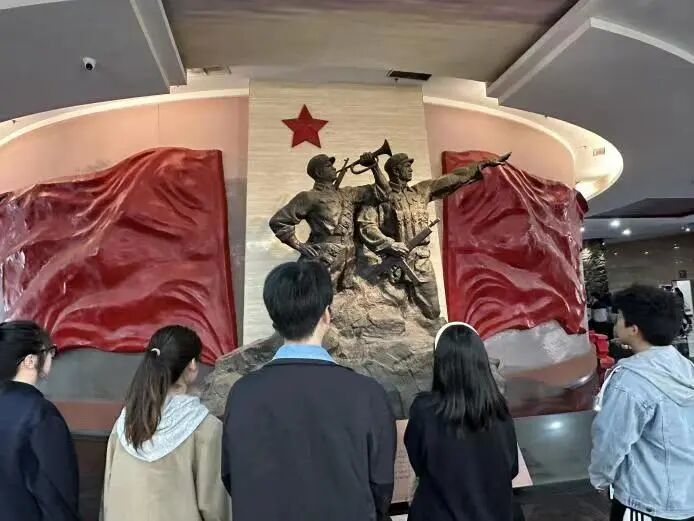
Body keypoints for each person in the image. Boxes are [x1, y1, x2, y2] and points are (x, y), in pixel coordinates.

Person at [222, 260, 396, 521]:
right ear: (327, 315)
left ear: (275, 321)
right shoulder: (367, 394)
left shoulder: (242, 395)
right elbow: (381, 486)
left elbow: (232, 477)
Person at [357, 152, 508, 318]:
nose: (411, 169)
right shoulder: (379, 197)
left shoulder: (421, 191)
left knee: (432, 312)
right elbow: (366, 225)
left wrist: (481, 165)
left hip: (420, 262)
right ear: (396, 171)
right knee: (389, 312)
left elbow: (454, 178)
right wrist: (390, 244)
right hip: (392, 264)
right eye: (407, 166)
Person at [589, 285, 694, 521]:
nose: (615, 321)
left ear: (634, 329)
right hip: (687, 498)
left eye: (620, 317)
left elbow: (611, 440)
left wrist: (600, 479)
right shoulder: (687, 368)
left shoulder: (629, 380)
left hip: (645, 501)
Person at [102, 325, 228, 521]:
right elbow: (215, 509)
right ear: (192, 365)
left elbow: (108, 499)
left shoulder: (125, 423)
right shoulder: (206, 429)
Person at [405, 322, 520, 521]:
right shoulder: (499, 410)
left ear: (440, 363)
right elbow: (512, 468)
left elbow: (418, 462)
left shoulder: (424, 410)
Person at [269, 150, 390, 289]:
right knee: (319, 296)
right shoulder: (309, 197)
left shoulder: (348, 193)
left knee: (345, 297)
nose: (334, 168)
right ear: (319, 173)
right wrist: (299, 246)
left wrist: (374, 166)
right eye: (329, 166)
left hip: (350, 257)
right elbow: (278, 221)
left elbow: (384, 192)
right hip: (324, 258)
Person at [0, 320, 80, 521]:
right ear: (30, 361)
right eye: (49, 351)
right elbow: (57, 492)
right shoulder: (40, 413)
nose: (52, 357)